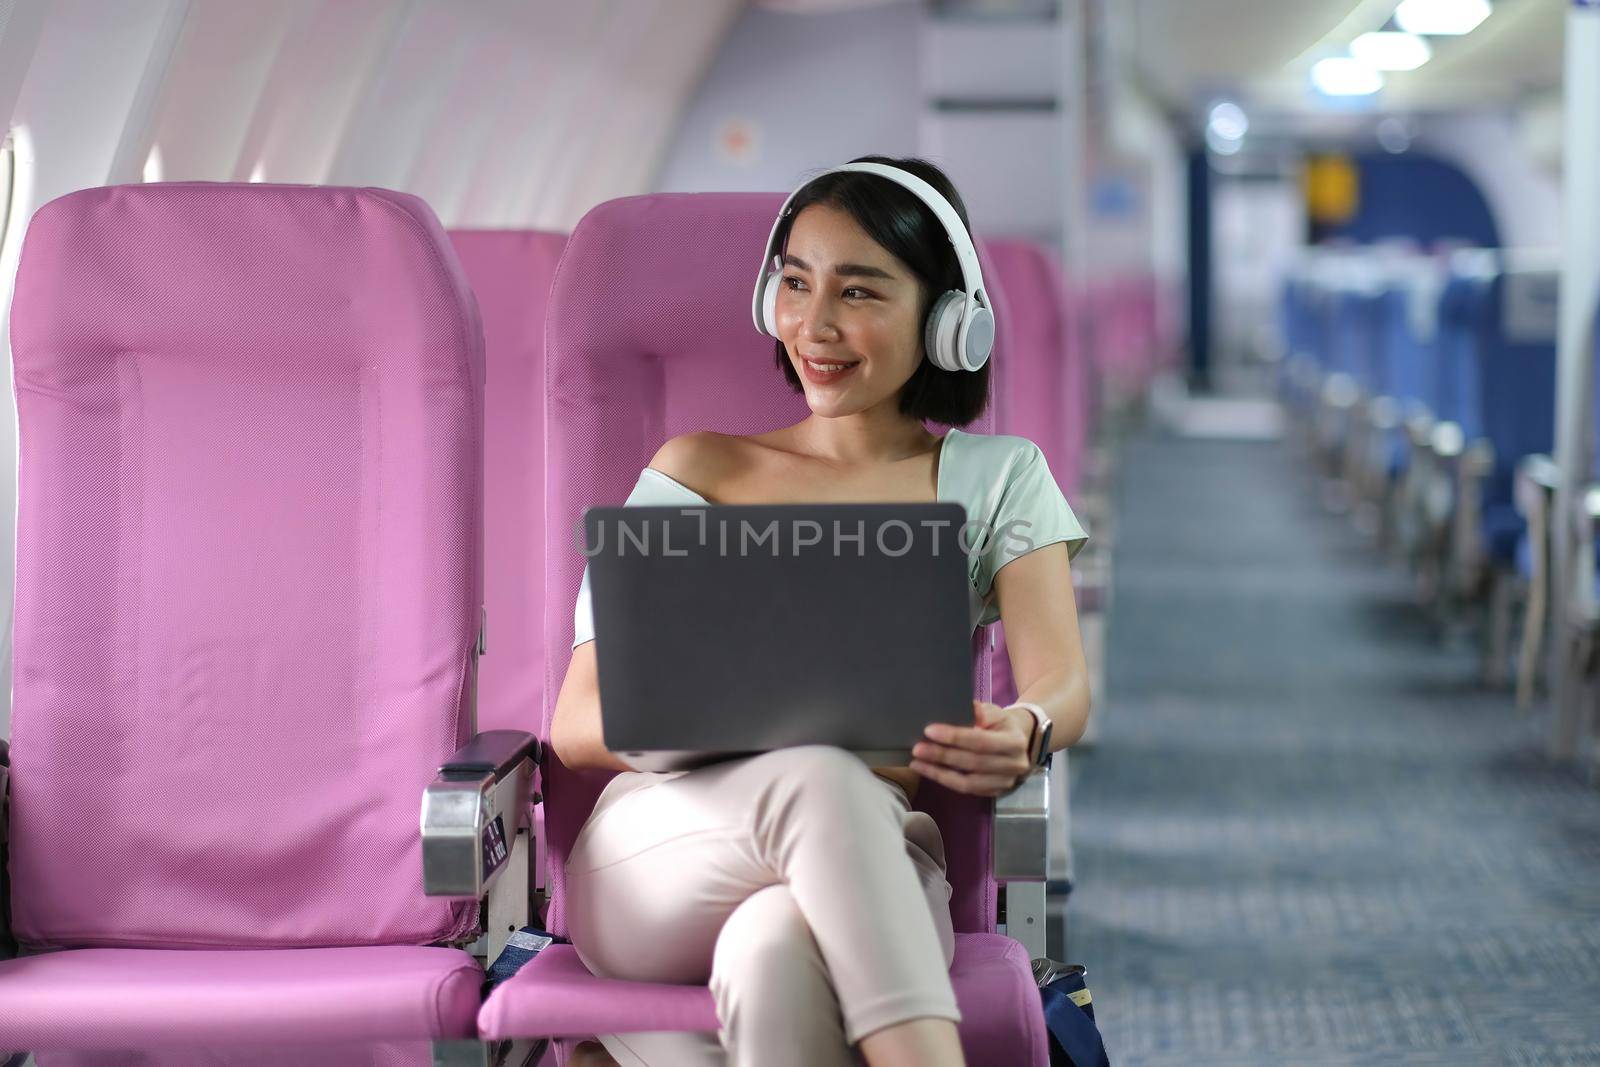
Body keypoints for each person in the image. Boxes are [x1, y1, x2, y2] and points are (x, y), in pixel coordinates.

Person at [549, 156, 1092, 1067]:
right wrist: (761, 727)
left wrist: (1026, 726)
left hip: (878, 852)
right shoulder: (696, 471)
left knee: (772, 956)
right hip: (664, 849)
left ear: (948, 319)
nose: (817, 324)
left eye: (861, 292)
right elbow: (577, 721)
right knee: (820, 774)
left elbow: (1061, 682)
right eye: (796, 284)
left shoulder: (998, 479)